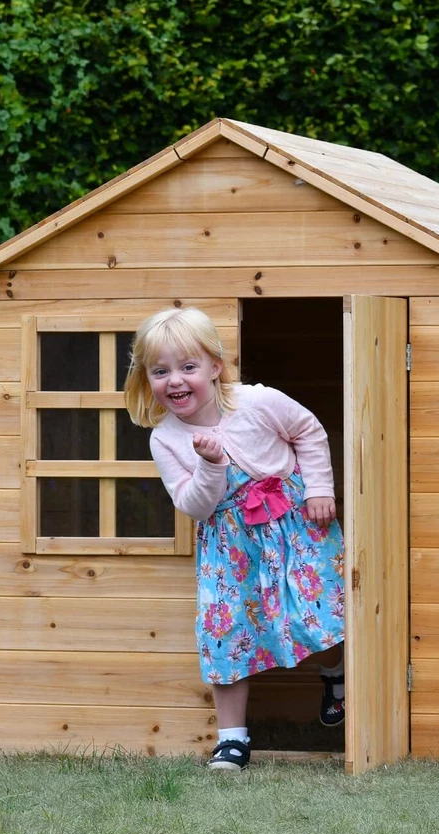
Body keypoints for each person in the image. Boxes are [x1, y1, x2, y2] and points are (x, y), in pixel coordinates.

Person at [124, 307, 346, 771]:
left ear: (215, 368)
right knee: (227, 634)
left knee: (320, 613)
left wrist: (321, 489)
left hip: (294, 529)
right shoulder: (165, 438)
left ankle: (335, 676)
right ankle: (232, 740)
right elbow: (194, 505)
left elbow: (308, 430)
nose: (176, 381)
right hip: (230, 547)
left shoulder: (256, 402)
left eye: (188, 367)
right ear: (147, 379)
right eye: (161, 371)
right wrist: (210, 465)